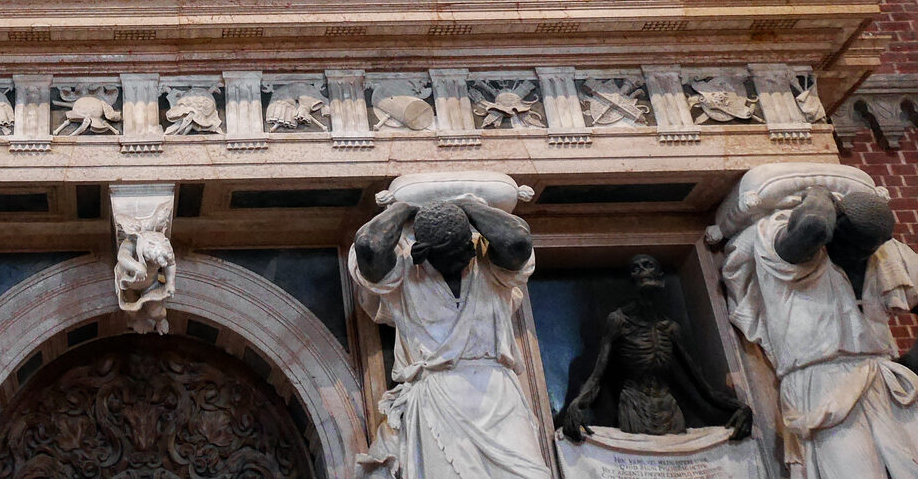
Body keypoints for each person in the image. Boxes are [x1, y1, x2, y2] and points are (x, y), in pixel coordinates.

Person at [722, 185, 918, 478]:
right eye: (850, 244)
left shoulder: (886, 255)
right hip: (822, 386)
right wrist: (819, 193)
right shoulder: (779, 240)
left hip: (886, 379)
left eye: (867, 250)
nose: (857, 255)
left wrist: (910, 365)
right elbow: (813, 227)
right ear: (836, 223)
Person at [350, 197, 550, 479]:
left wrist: (468, 206)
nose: (466, 254)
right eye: (452, 253)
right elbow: (369, 246)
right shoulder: (405, 272)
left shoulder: (489, 263)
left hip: (499, 393)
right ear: (424, 251)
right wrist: (404, 207)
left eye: (466, 245)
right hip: (438, 398)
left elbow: (517, 241)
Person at [560, 255, 752, 441]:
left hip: (669, 409)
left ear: (661, 276)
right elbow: (597, 376)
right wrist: (577, 404)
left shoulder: (670, 328)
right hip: (634, 405)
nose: (642, 270)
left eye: (648, 265)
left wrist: (740, 407)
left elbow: (702, 385)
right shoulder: (619, 321)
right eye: (636, 268)